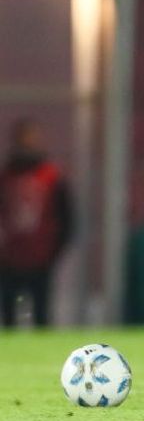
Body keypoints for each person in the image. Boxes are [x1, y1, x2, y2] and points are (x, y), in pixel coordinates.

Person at [0, 118, 72, 327]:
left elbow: (66, 217)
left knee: (42, 314)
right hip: (10, 258)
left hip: (41, 258)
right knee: (9, 316)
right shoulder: (6, 177)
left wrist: (54, 251)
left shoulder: (51, 176)